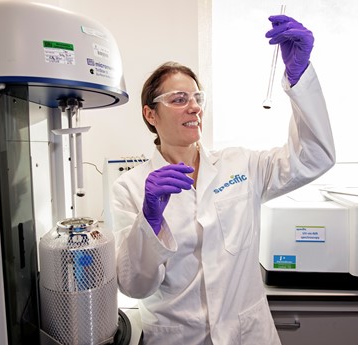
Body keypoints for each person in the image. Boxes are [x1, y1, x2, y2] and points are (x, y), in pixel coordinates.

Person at [111, 14, 335, 345]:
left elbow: (314, 157)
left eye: (197, 98)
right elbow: (135, 286)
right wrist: (149, 220)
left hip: (247, 335)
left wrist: (299, 77)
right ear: (150, 114)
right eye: (178, 99)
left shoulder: (241, 164)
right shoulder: (129, 189)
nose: (194, 108)